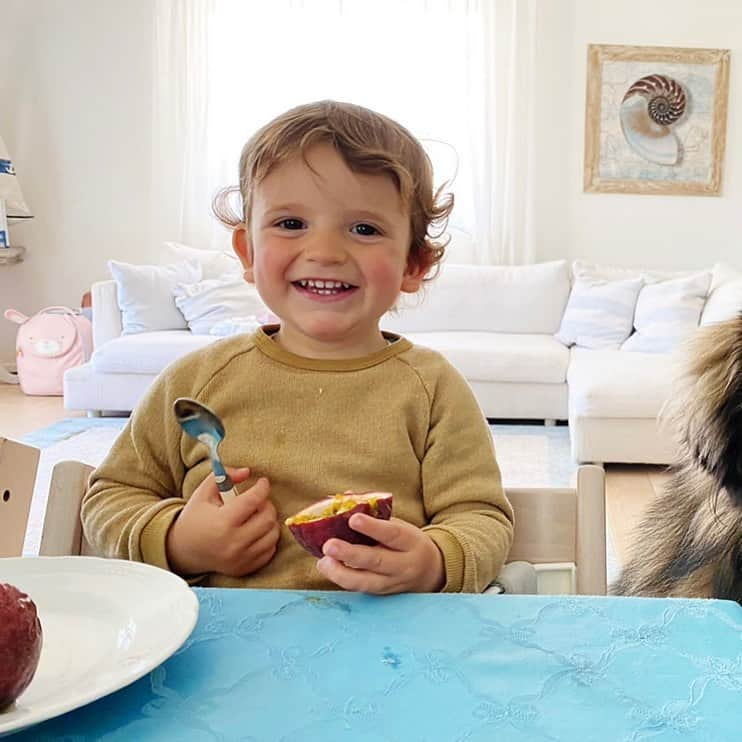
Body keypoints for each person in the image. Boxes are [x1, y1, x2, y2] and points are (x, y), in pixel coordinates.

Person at [82, 100, 513, 593]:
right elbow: (111, 498)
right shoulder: (195, 382)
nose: (326, 253)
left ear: (413, 264)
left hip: (389, 644)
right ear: (247, 251)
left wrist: (433, 562)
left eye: (364, 229)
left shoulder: (432, 387)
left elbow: (480, 517)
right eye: (290, 224)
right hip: (218, 645)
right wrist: (180, 541)